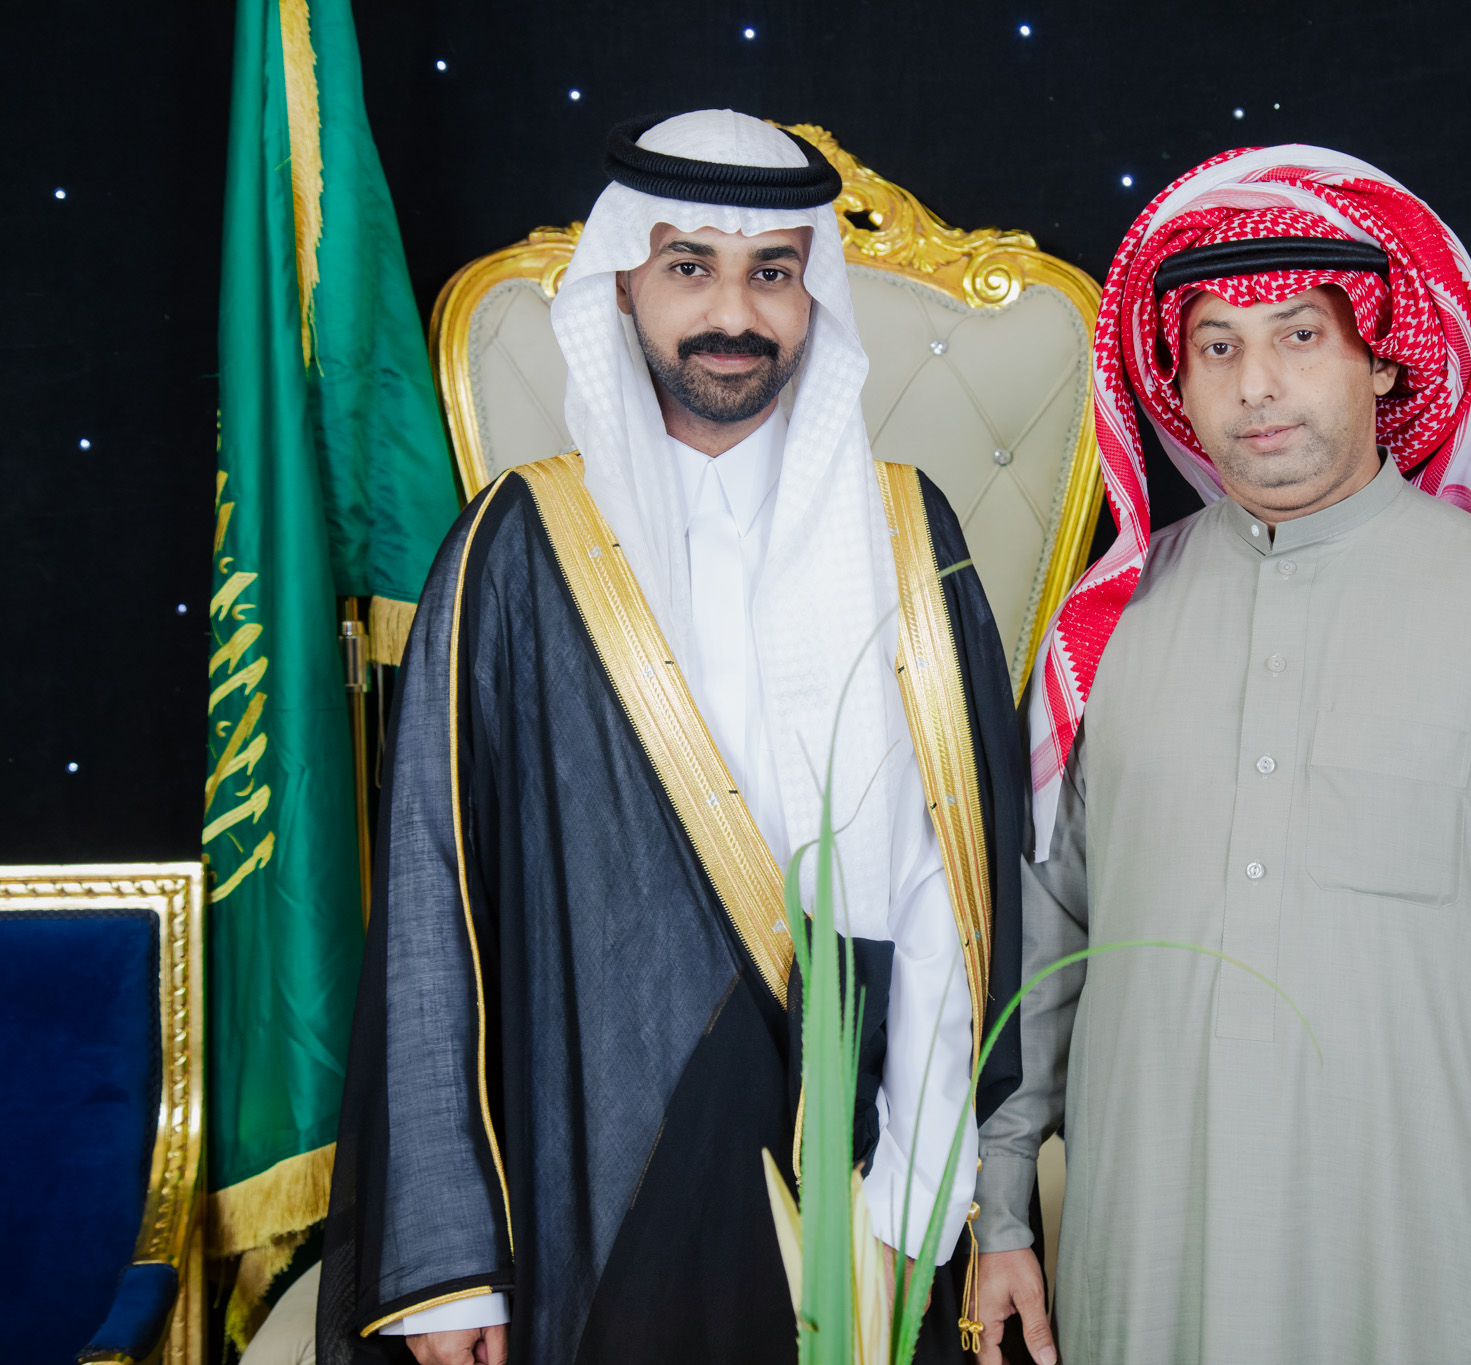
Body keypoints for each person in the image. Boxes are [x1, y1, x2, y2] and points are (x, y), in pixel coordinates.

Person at [316, 109, 1024, 1365]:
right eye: (689, 267)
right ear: (621, 284)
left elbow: (947, 890)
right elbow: (434, 899)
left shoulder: (908, 534)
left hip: (860, 1171)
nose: (732, 313)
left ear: (813, 292)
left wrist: (918, 1193)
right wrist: (448, 1270)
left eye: (772, 273)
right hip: (593, 1159)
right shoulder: (517, 544)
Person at [973, 146, 1471, 1365]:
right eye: (1215, 346)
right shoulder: (1109, 626)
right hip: (1149, 1263)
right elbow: (1041, 955)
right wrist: (1000, 1214)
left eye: (1299, 336)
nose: (1256, 385)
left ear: (1381, 357)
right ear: (1174, 381)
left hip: (1445, 1265)